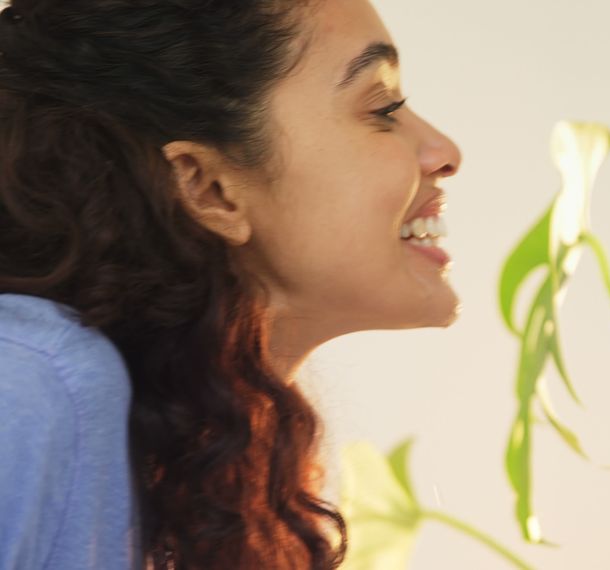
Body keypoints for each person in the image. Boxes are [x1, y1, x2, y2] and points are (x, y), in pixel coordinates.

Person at [0, 0, 463, 567]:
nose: (445, 153)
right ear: (207, 188)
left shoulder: (203, 462)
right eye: (382, 106)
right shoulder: (29, 384)